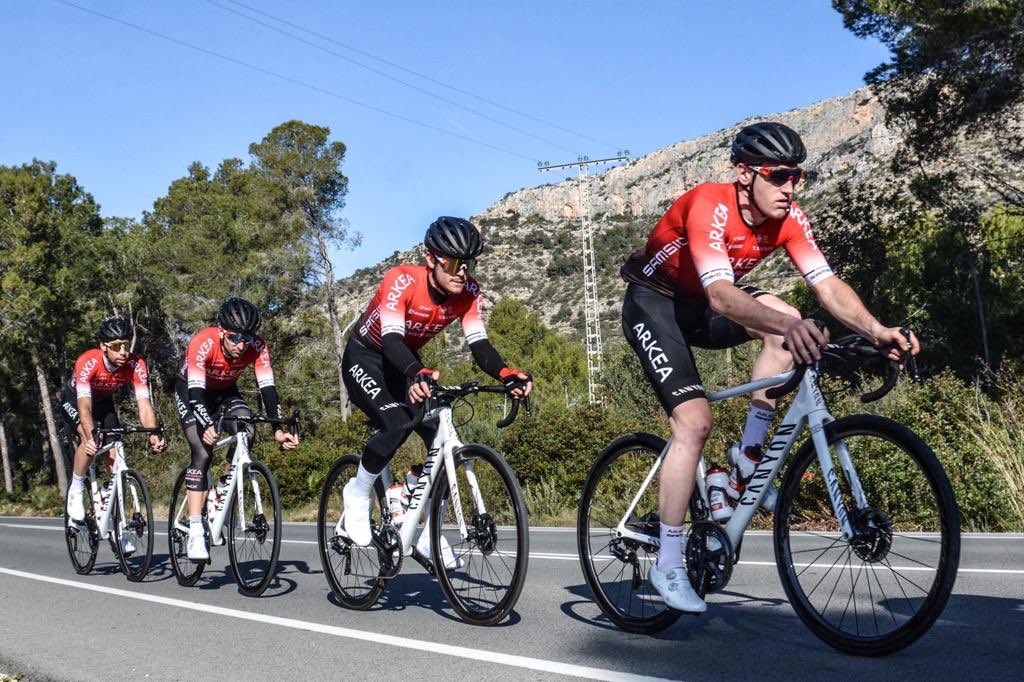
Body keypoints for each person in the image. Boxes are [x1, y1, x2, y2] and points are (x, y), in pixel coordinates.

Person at [618, 121, 919, 612]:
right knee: (694, 423)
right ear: (744, 174)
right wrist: (784, 323)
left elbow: (827, 286)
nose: (789, 187)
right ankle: (668, 562)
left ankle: (747, 458)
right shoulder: (708, 205)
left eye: (796, 177)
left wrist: (877, 330)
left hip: (707, 310)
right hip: (657, 305)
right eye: (778, 176)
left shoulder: (789, 218)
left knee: (793, 318)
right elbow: (721, 294)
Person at [341, 216, 532, 568]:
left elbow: (480, 344)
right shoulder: (401, 280)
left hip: (404, 362)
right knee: (397, 424)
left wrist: (506, 373)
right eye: (455, 263)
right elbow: (392, 340)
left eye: (469, 264)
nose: (463, 272)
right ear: (431, 259)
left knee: (436, 438)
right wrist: (416, 373)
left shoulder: (469, 294)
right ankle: (357, 492)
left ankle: (425, 528)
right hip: (367, 356)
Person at [175, 297, 299, 561]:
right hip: (191, 392)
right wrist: (206, 423)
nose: (241, 346)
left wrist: (278, 429)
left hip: (225, 392)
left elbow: (268, 390)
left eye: (246, 339)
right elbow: (196, 392)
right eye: (233, 338)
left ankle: (221, 489)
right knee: (202, 450)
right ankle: (196, 528)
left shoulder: (257, 346)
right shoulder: (203, 341)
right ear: (221, 331)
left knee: (247, 428)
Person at [62, 317, 166, 525]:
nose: (123, 352)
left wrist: (153, 433)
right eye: (117, 346)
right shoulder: (88, 362)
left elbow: (144, 405)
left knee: (114, 448)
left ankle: (114, 513)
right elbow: (84, 407)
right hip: (76, 400)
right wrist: (91, 434)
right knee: (89, 439)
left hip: (104, 402)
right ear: (103, 346)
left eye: (127, 345)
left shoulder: (137, 365)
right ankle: (76, 487)